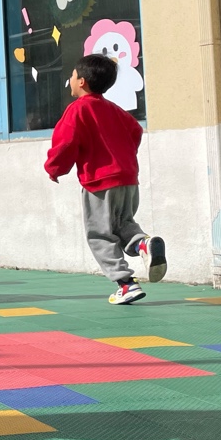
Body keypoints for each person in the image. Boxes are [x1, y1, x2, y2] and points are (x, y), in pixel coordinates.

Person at [45, 53, 167, 304]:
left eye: (73, 75)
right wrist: (123, 158)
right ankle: (143, 244)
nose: (70, 79)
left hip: (99, 182)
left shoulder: (77, 109)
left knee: (100, 234)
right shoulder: (115, 110)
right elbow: (135, 131)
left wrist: (54, 168)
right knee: (122, 223)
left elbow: (65, 143)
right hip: (128, 178)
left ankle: (126, 284)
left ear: (82, 82)